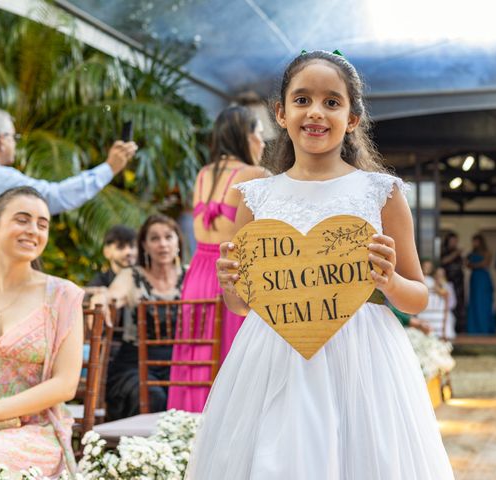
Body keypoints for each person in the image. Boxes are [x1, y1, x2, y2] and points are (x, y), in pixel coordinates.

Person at [187, 50, 454, 479]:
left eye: (332, 102)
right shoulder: (257, 197)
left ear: (352, 117)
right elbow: (242, 306)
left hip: (364, 360)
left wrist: (388, 282)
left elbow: (418, 296)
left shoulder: (381, 192)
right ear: (281, 112)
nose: (316, 112)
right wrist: (232, 285)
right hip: (275, 355)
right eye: (302, 99)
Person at [0, 186, 83, 478]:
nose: (33, 230)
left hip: (33, 430)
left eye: (42, 224)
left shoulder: (62, 295)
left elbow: (65, 385)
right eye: (22, 219)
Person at [167, 105, 266, 412]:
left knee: (197, 355)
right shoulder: (254, 175)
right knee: (233, 356)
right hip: (231, 273)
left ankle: (189, 417)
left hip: (198, 273)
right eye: (260, 134)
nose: (263, 143)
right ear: (246, 136)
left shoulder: (202, 175)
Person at [0, 107, 137, 270]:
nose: (15, 143)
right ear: (1, 140)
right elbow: (55, 196)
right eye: (14, 137)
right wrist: (109, 168)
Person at [92, 214, 186, 420]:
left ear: (178, 241)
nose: (162, 244)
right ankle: (142, 451)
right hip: (134, 362)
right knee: (153, 397)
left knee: (182, 396)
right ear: (144, 245)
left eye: (168, 237)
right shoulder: (132, 275)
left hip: (181, 361)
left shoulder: (190, 275)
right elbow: (112, 294)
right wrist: (102, 299)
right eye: (154, 238)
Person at [466, 233, 496, 335]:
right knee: (474, 302)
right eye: (473, 241)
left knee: (483, 302)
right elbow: (467, 264)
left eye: (476, 241)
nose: (474, 243)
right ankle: (474, 328)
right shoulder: (471, 253)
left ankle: (485, 328)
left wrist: (474, 265)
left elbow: (485, 264)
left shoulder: (487, 252)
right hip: (474, 279)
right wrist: (474, 265)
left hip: (483, 278)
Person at [441, 231, 465, 332]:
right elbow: (443, 261)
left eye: (456, 241)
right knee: (450, 303)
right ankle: (451, 328)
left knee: (459, 303)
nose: (454, 243)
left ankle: (460, 327)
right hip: (448, 280)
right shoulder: (444, 250)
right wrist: (456, 254)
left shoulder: (457, 251)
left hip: (458, 280)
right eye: (452, 241)